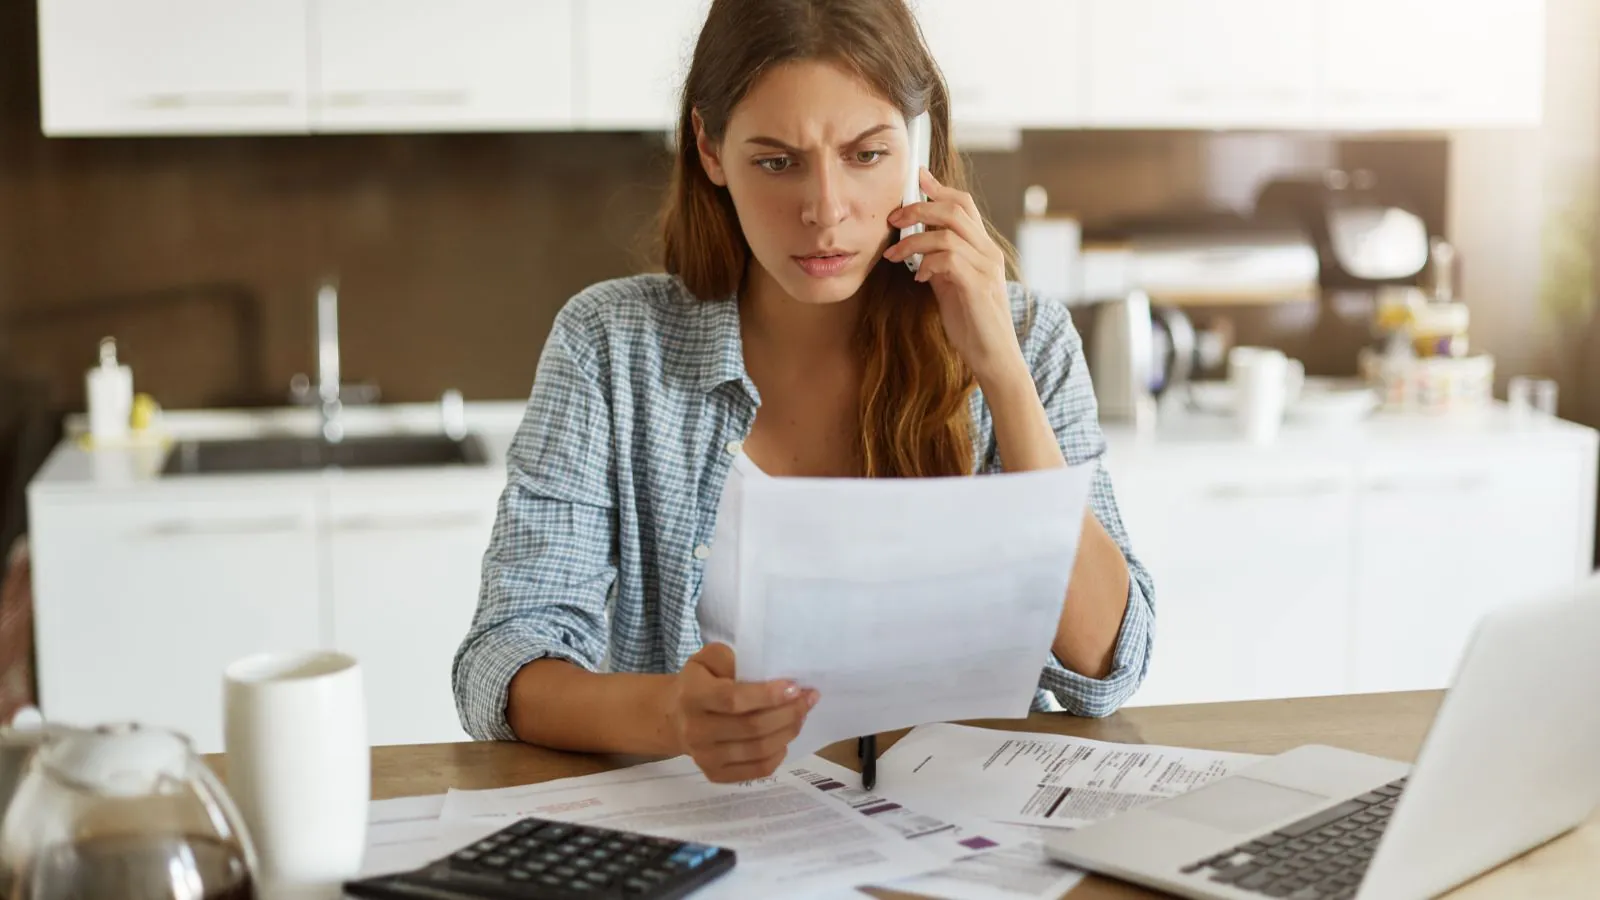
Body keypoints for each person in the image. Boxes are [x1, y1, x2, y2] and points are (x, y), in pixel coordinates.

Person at [453, 0, 1154, 784]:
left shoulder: (1029, 339)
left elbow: (1106, 666)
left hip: (956, 843)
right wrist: (672, 718)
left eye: (865, 153)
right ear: (711, 149)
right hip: (710, 842)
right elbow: (504, 658)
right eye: (776, 161)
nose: (824, 210)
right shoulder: (610, 346)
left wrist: (1000, 369)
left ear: (917, 142)